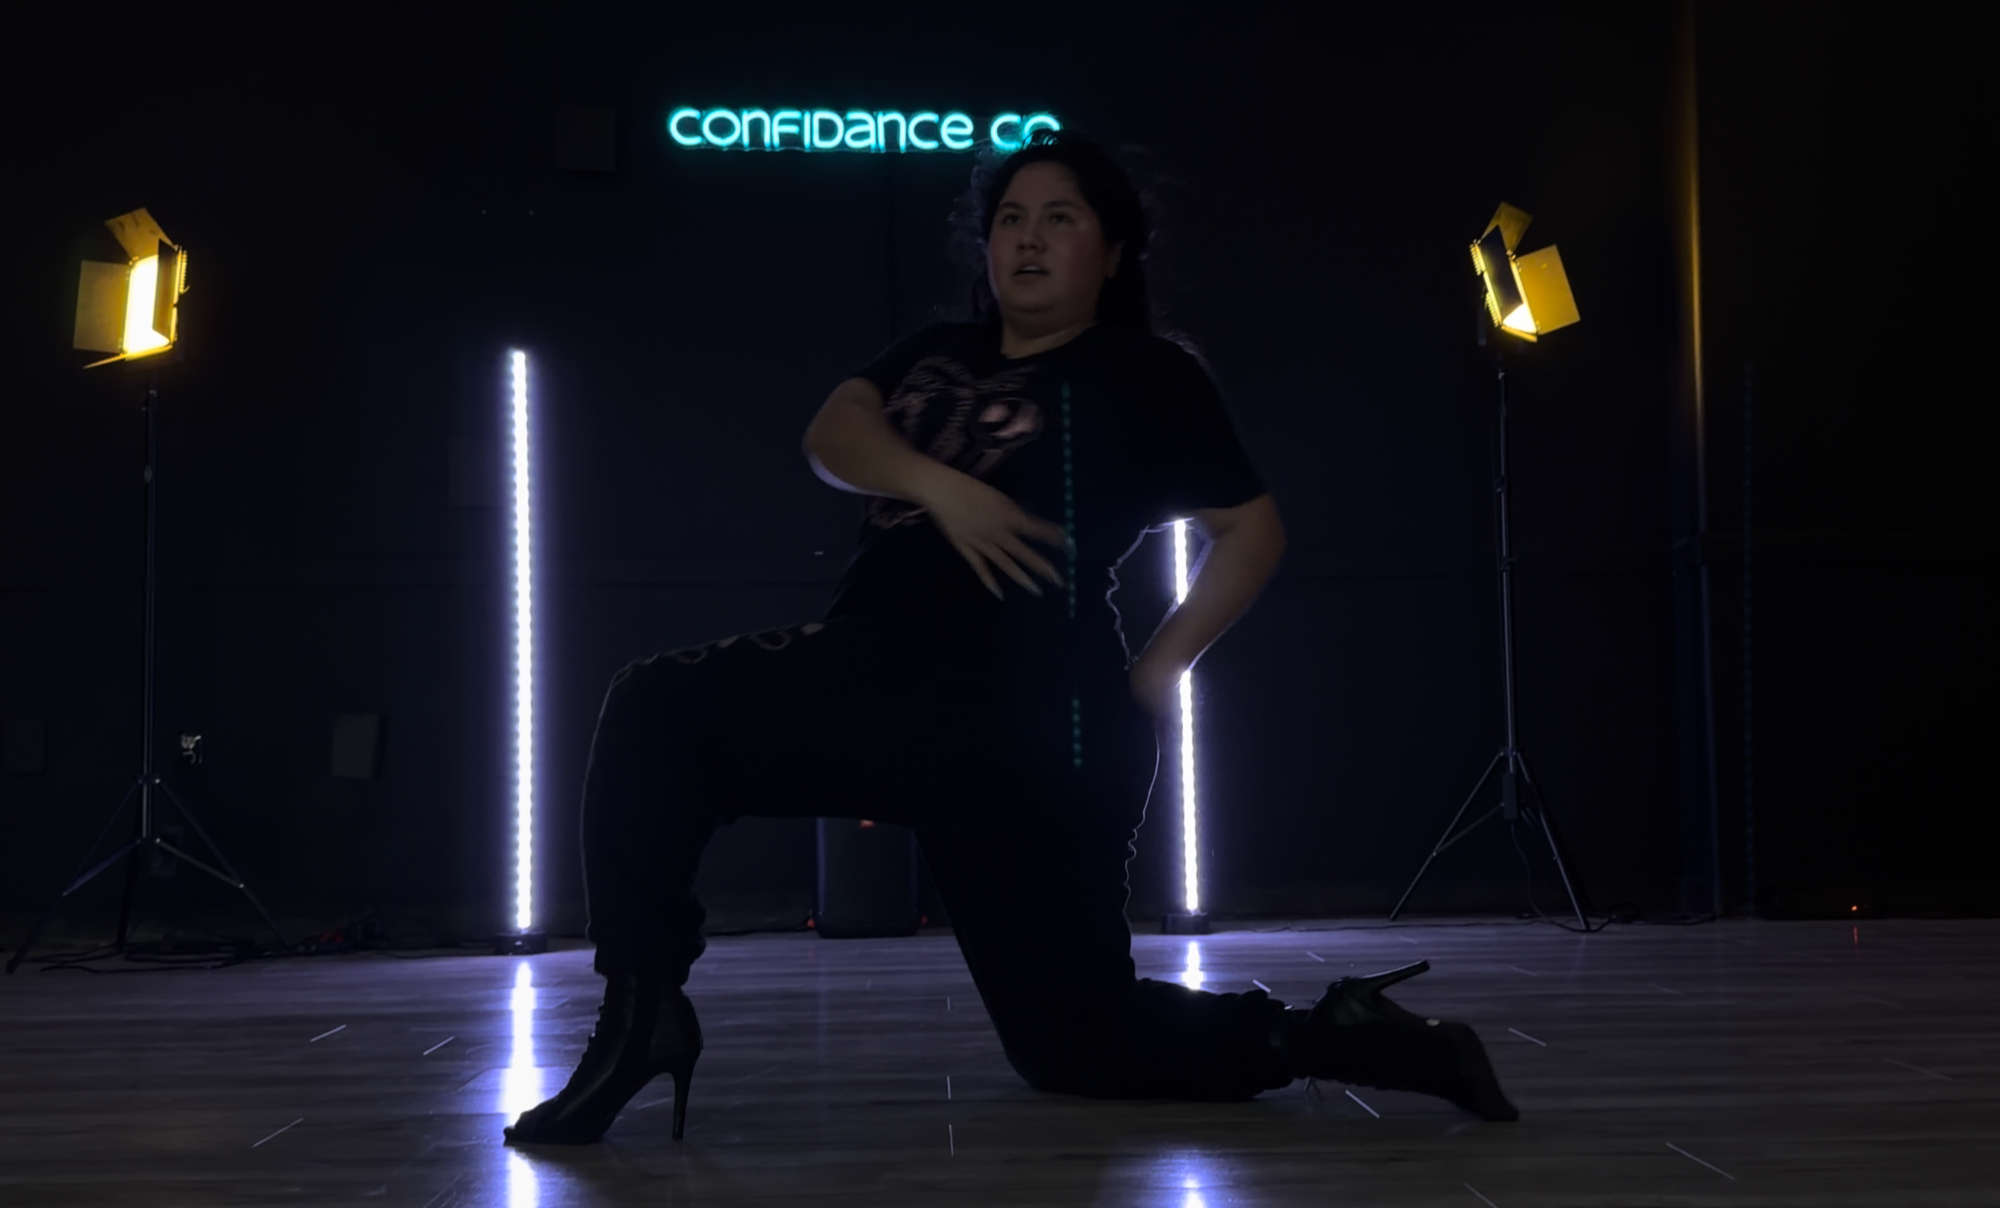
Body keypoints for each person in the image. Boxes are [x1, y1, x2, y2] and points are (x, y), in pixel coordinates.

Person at [504, 132, 1516, 1146]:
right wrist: (945, 488)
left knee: (659, 707)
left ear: (1111, 253)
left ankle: (642, 1017)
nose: (1027, 238)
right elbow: (832, 433)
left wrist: (1157, 667)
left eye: (1058, 218)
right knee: (1073, 1041)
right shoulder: (934, 353)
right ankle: (1337, 1034)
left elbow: (1251, 532)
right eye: (1010, 219)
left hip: (1025, 699)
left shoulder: (1140, 370)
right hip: (914, 685)